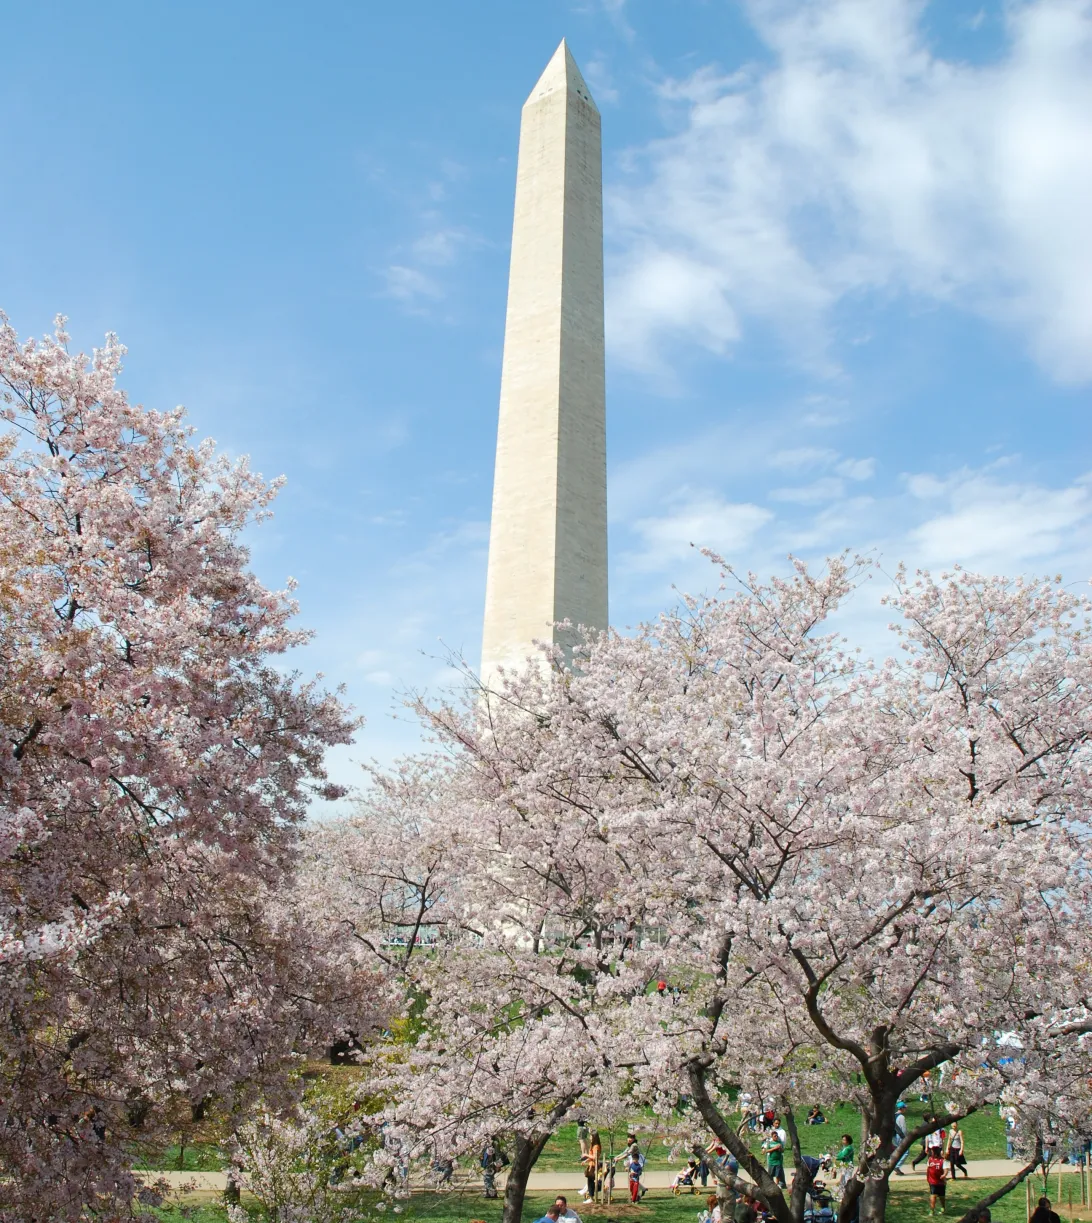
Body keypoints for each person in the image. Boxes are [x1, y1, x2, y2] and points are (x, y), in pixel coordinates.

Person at [582, 1130, 602, 1202]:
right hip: (591, 1165)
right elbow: (591, 1157)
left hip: (594, 1166)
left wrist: (585, 1155)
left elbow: (595, 1157)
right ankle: (590, 1196)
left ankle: (591, 1197)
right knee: (590, 1181)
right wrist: (586, 1160)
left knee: (591, 1182)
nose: (590, 1138)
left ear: (594, 1137)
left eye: (591, 1136)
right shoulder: (593, 1145)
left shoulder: (596, 1146)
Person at [926, 1151, 947, 1216]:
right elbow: (928, 1169)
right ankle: (932, 1211)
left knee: (942, 1196)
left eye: (933, 1152)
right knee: (933, 1195)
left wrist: (944, 1175)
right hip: (932, 1181)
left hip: (941, 1181)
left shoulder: (943, 1161)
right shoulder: (930, 1159)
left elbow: (946, 1170)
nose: (932, 1153)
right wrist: (928, 1178)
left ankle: (943, 1208)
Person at [893, 1103, 909, 1175]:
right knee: (906, 1152)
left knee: (898, 1151)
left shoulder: (894, 1115)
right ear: (902, 1108)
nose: (906, 1109)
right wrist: (906, 1137)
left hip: (894, 1136)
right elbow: (903, 1128)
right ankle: (897, 1166)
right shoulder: (901, 1117)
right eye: (905, 1108)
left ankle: (894, 1165)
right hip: (900, 1136)